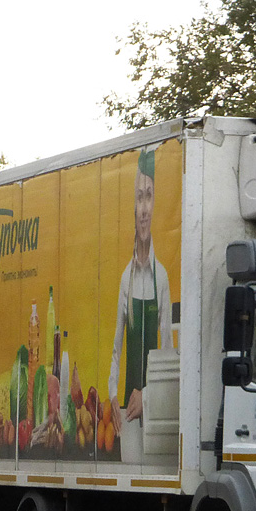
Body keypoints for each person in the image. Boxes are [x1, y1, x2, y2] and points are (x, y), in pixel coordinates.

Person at [109, 147, 173, 432]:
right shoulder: (127, 279)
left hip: (155, 411)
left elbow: (169, 356)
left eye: (149, 195)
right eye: (139, 197)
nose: (144, 208)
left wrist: (147, 395)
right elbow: (115, 352)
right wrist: (113, 396)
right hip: (127, 413)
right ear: (133, 207)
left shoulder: (162, 278)